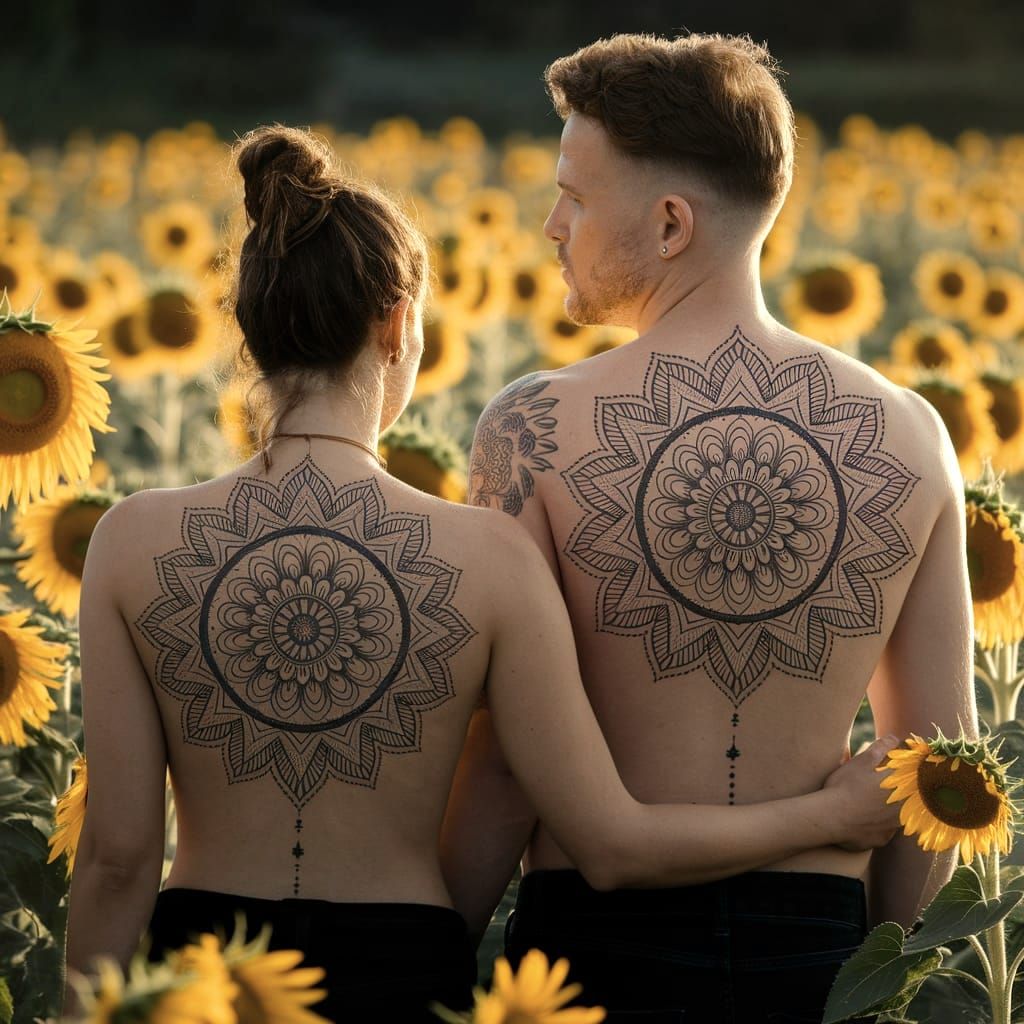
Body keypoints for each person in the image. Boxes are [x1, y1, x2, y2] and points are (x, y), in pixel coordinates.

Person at [63, 124, 903, 1024]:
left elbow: (117, 859)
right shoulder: (489, 559)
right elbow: (608, 838)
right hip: (403, 970)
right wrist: (831, 818)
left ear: (251, 326)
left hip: (204, 970)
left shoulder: (129, 541)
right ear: (397, 324)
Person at [443, 32, 979, 1024]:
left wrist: (437, 963)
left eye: (574, 196)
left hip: (597, 941)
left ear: (670, 223)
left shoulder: (533, 426)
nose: (551, 226)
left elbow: (506, 762)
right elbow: (935, 764)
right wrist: (869, 976)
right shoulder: (911, 434)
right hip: (819, 946)